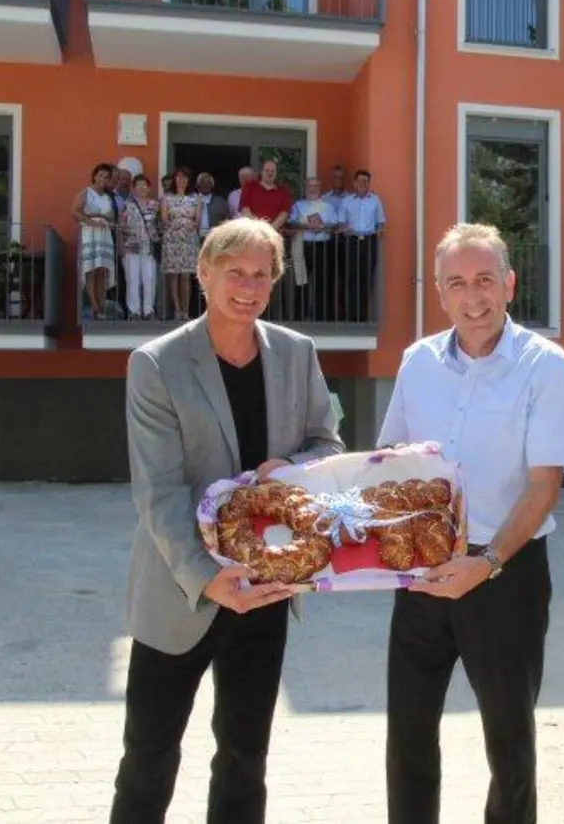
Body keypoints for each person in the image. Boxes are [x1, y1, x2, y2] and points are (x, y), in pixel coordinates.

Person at [112, 217, 346, 824]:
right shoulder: (156, 364)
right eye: (235, 272)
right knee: (148, 757)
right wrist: (205, 576)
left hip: (267, 585)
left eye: (262, 274)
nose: (248, 286)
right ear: (203, 273)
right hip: (180, 588)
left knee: (246, 758)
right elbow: (158, 491)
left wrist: (292, 466)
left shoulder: (297, 353)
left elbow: (328, 445)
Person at [377, 222, 564, 824]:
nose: (474, 297)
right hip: (423, 569)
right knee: (409, 736)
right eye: (458, 283)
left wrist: (487, 562)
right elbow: (393, 464)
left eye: (486, 281)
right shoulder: (417, 362)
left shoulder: (547, 367)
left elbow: (544, 488)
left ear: (510, 285)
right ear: (439, 293)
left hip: (506, 575)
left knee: (509, 744)